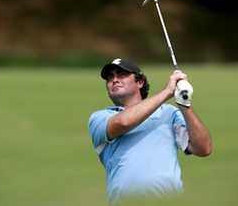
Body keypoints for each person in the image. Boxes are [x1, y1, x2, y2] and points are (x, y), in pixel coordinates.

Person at [88, 58, 213, 203]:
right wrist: (167, 92)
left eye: (121, 75)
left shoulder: (169, 113)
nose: (114, 80)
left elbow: (203, 148)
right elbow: (123, 122)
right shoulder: (100, 118)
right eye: (110, 78)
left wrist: (185, 104)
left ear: (140, 82)